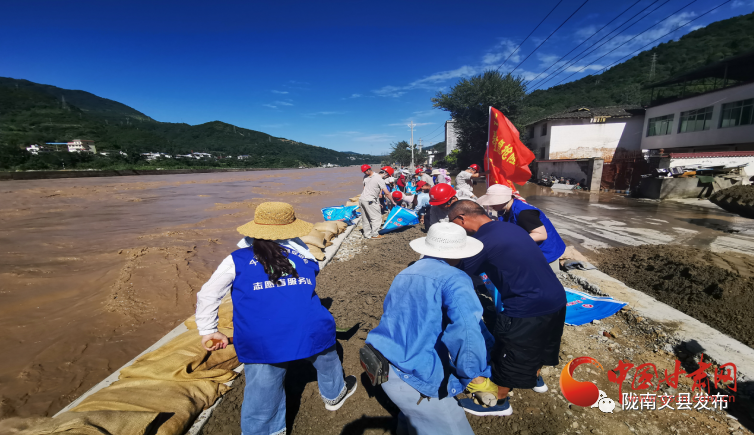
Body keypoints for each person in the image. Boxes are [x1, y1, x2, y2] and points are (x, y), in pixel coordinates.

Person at [195, 202, 358, 435]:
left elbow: (208, 294)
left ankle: (265, 430)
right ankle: (334, 395)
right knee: (328, 360)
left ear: (254, 229)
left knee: (263, 389)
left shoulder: (237, 259)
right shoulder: (304, 254)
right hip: (312, 326)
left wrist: (209, 330)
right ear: (290, 229)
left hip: (263, 337)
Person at [365, 222, 505, 435]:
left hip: (385, 361)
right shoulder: (455, 278)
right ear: (460, 251)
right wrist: (475, 377)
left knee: (413, 421)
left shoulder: (406, 272)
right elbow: (466, 330)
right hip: (416, 374)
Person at [447, 200, 567, 416]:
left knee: (509, 350)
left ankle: (500, 402)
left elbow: (459, 273)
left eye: (453, 223)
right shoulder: (509, 227)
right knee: (540, 343)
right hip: (556, 298)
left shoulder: (483, 241)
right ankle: (535, 378)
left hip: (526, 305)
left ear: (461, 219)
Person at [477, 184, 566, 272]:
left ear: (502, 200)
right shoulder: (504, 209)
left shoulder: (524, 212)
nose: (491, 205)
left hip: (546, 250)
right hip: (530, 248)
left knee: (546, 278)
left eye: (492, 202)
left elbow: (541, 235)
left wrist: (512, 241)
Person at [360, 166, 397, 240]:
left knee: (366, 218)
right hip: (370, 200)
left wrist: (376, 201)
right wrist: (393, 201)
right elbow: (387, 193)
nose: (387, 177)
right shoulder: (379, 179)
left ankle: (367, 234)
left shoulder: (365, 177)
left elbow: (365, 188)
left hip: (362, 199)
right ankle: (375, 234)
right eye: (387, 176)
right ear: (385, 173)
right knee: (376, 218)